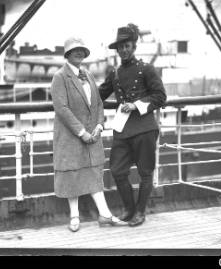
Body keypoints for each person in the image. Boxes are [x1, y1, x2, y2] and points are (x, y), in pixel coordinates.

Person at [51, 37, 127, 232]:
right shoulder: (60, 76)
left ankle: (105, 214)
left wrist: (100, 126)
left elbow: (99, 103)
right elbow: (62, 108)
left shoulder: (88, 75)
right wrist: (81, 132)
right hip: (71, 136)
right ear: (67, 54)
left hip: (92, 134)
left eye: (82, 50)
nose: (79, 53)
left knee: (93, 173)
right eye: (75, 50)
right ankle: (74, 216)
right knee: (72, 173)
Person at [99, 24, 167, 227]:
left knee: (146, 172)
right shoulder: (116, 74)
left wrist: (136, 105)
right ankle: (129, 209)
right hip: (122, 130)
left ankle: (139, 212)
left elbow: (160, 96)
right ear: (117, 50)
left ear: (134, 46)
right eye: (120, 47)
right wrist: (83, 82)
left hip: (145, 127)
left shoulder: (146, 69)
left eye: (127, 46)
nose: (124, 50)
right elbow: (99, 95)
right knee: (117, 170)